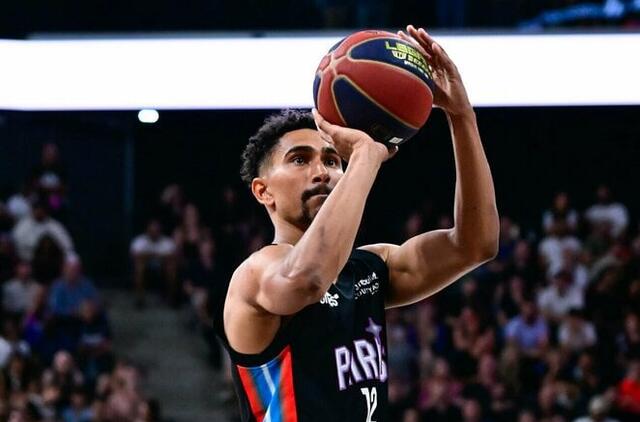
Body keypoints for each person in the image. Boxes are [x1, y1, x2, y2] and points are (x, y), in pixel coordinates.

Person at [214, 25, 499, 421]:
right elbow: (308, 279)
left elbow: (475, 244)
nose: (322, 171)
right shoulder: (255, 275)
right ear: (264, 192)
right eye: (300, 159)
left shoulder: (369, 269)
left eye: (332, 160)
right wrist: (365, 155)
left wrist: (461, 116)